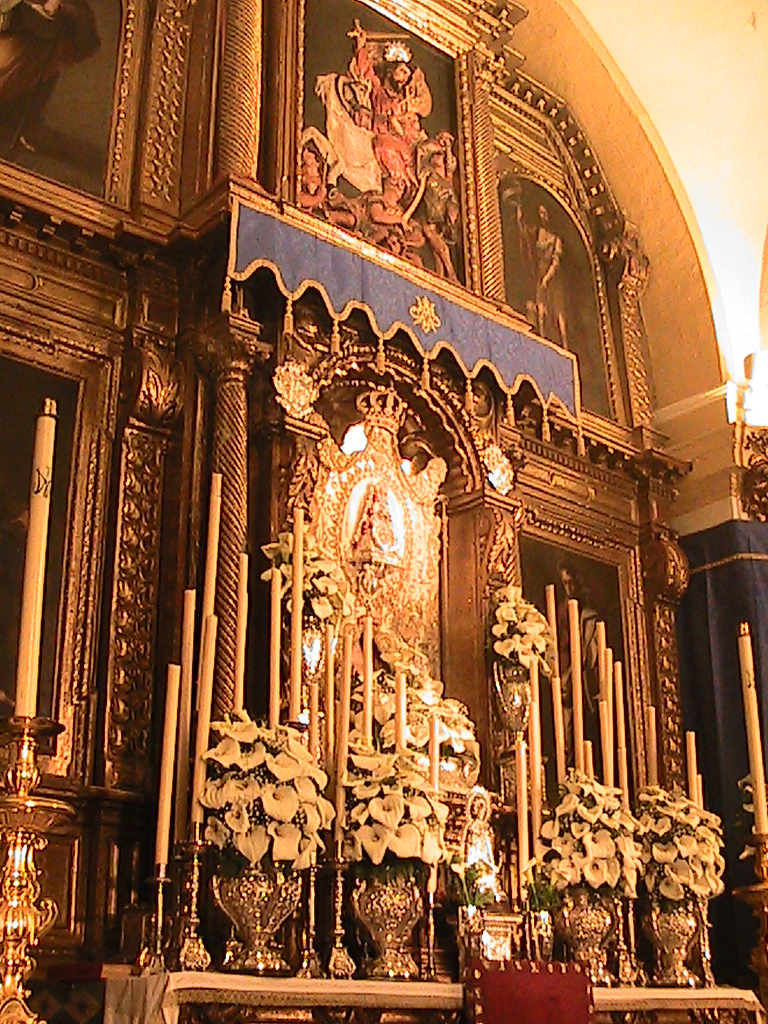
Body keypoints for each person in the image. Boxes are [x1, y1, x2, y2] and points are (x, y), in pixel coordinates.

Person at [0, 0, 99, 153]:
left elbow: (84, 31)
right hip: (16, 36)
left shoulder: (48, 62)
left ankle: (23, 125)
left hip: (38, 45)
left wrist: (62, 9)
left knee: (41, 67)